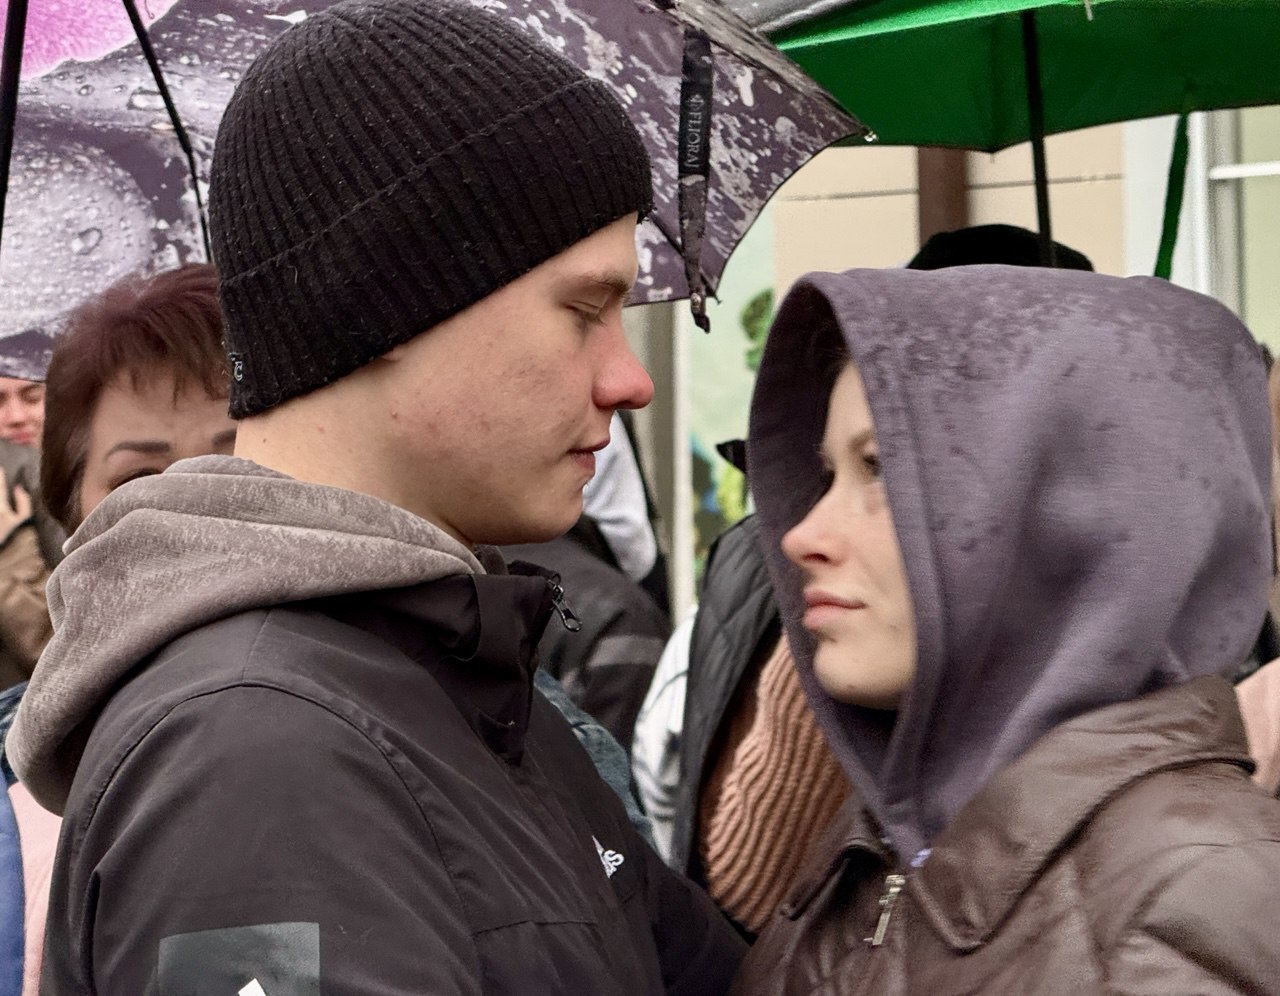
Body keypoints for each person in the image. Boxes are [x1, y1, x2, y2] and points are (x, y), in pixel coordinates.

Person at [7, 2, 744, 992]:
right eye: (583, 310)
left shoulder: (451, 676)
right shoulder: (256, 757)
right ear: (383, 298)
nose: (630, 379)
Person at [730, 264, 1280, 993]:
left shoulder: (1194, 895)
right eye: (828, 474)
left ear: (1067, 512)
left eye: (882, 469)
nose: (803, 535)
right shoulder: (890, 832)